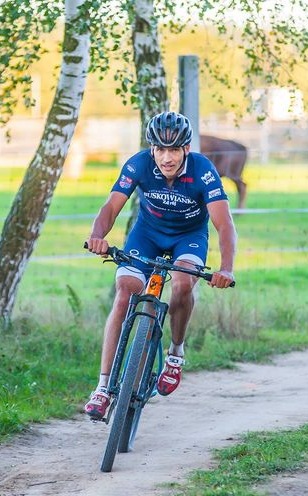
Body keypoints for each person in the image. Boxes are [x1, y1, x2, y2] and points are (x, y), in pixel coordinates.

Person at [83, 111, 237, 420]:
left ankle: (175, 354)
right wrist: (97, 236)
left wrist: (226, 268)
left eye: (174, 150)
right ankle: (102, 389)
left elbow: (224, 224)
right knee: (125, 292)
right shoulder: (139, 164)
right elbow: (112, 205)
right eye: (160, 150)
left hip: (188, 237)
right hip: (147, 235)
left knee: (181, 283)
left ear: (186, 149)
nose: (167, 158)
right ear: (152, 148)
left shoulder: (203, 171)